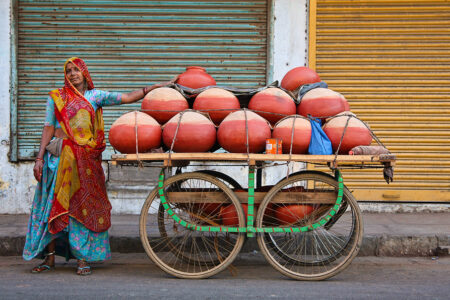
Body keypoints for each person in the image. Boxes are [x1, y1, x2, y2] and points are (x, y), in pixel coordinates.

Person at [23, 57, 170, 275]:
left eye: (76, 70)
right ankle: (49, 258)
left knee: (82, 209)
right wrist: (39, 158)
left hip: (86, 163)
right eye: (68, 70)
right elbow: (48, 127)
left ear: (84, 73)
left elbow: (127, 98)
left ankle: (83, 259)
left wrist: (153, 88)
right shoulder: (56, 98)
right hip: (58, 163)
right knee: (53, 208)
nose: (73, 74)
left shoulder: (95, 96)